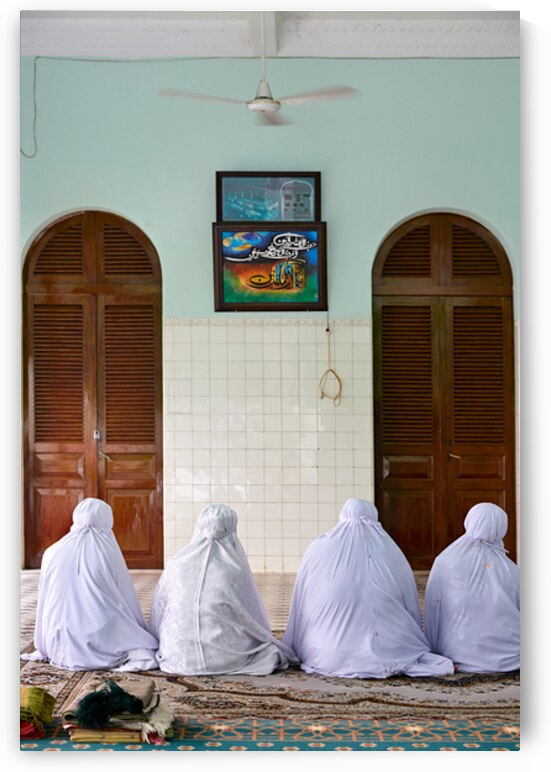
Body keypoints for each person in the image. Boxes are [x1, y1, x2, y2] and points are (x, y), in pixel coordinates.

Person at [283, 498, 453, 678]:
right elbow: (410, 602)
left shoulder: (320, 546)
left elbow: (301, 600)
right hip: (393, 650)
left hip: (326, 654)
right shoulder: (390, 550)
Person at [149, 504, 297, 675]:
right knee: (268, 650)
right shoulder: (233, 568)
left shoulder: (177, 563)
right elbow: (252, 617)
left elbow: (158, 612)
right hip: (225, 661)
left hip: (176, 658)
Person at [21, 498, 158, 671]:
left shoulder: (51, 552)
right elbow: (126, 599)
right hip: (98, 645)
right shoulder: (108, 554)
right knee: (128, 629)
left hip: (55, 643)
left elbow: (44, 601)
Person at [424, 502, 520, 673]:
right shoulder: (510, 569)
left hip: (454, 652)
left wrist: (435, 646)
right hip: (508, 658)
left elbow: (433, 608)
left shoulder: (445, 560)